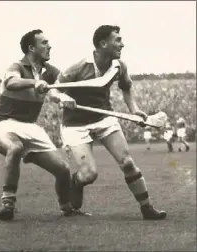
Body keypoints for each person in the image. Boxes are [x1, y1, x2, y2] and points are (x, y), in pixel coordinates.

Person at [56, 25, 166, 220]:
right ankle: (77, 181)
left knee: (127, 162)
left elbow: (126, 87)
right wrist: (61, 98)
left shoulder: (119, 65)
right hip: (75, 123)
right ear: (103, 43)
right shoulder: (77, 67)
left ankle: (147, 208)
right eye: (118, 40)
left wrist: (134, 110)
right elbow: (53, 89)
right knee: (89, 174)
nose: (122, 44)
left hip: (104, 117)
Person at [0, 29, 84, 221]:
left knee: (63, 170)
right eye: (44, 43)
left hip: (30, 127)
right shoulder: (17, 66)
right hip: (3, 123)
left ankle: (66, 208)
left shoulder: (50, 71)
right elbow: (11, 82)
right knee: (15, 148)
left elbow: (56, 90)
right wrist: (34, 82)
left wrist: (63, 98)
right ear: (31, 48)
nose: (49, 46)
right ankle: (8, 204)